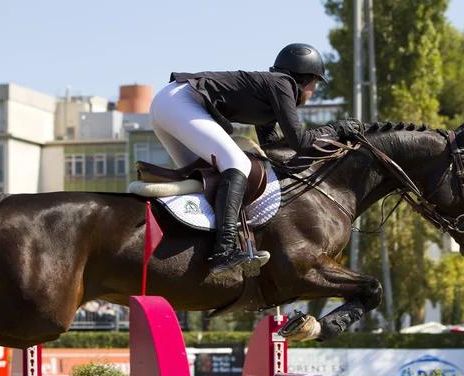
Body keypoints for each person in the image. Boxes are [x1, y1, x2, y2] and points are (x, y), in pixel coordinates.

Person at [149, 43, 361, 279]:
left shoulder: (270, 92)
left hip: (167, 104)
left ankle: (192, 246)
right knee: (238, 164)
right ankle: (224, 251)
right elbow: (299, 141)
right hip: (181, 102)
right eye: (315, 84)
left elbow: (275, 151)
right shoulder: (283, 84)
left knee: (205, 178)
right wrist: (337, 130)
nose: (313, 91)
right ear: (308, 80)